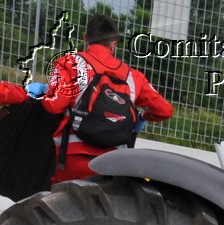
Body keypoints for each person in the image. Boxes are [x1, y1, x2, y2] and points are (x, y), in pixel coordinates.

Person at [38, 14, 173, 184]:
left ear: (86, 38)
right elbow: (165, 111)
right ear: (113, 44)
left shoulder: (71, 63)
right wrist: (142, 117)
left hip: (73, 157)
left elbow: (53, 106)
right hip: (114, 164)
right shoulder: (133, 77)